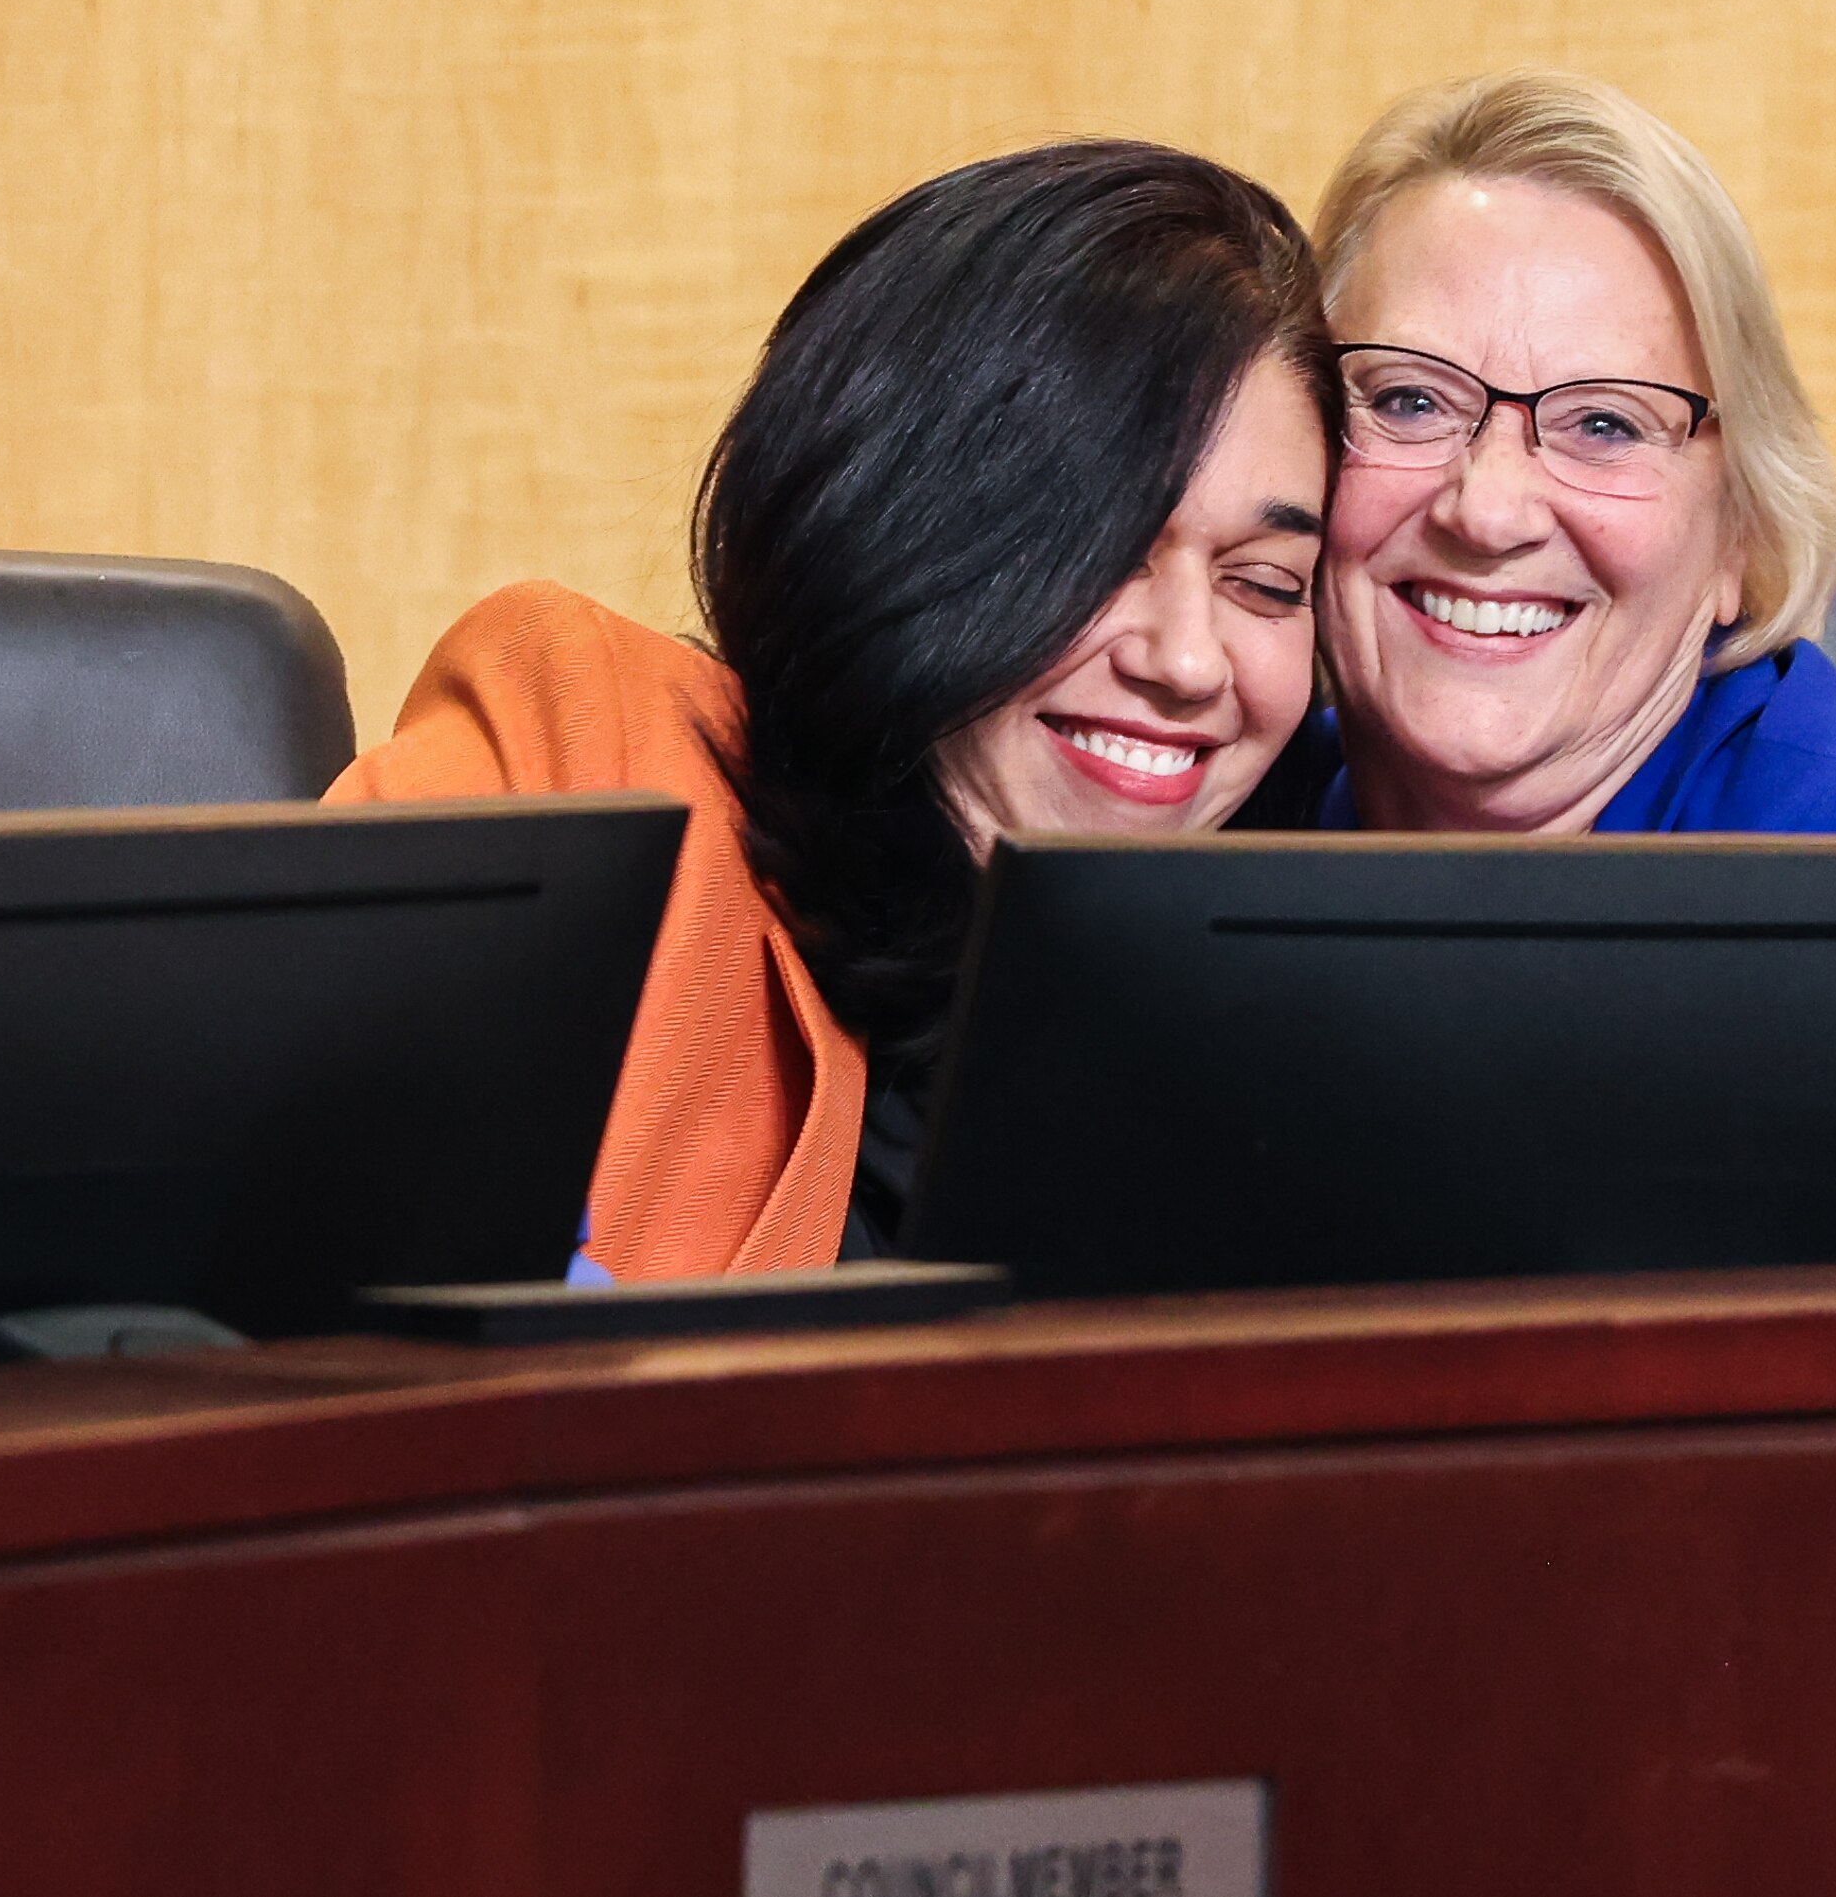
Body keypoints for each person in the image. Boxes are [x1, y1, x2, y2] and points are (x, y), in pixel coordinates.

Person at [332, 143, 1338, 1278]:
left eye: (1265, 584)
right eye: (1103, 553)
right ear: (895, 516)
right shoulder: (595, 745)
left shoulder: (1288, 1043)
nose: (1192, 660)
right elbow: (287, 1222)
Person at [1249, 69, 1836, 836]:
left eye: (1604, 425)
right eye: (1409, 401)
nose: (1487, 511)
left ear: (1741, 533)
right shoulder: (1232, 799)